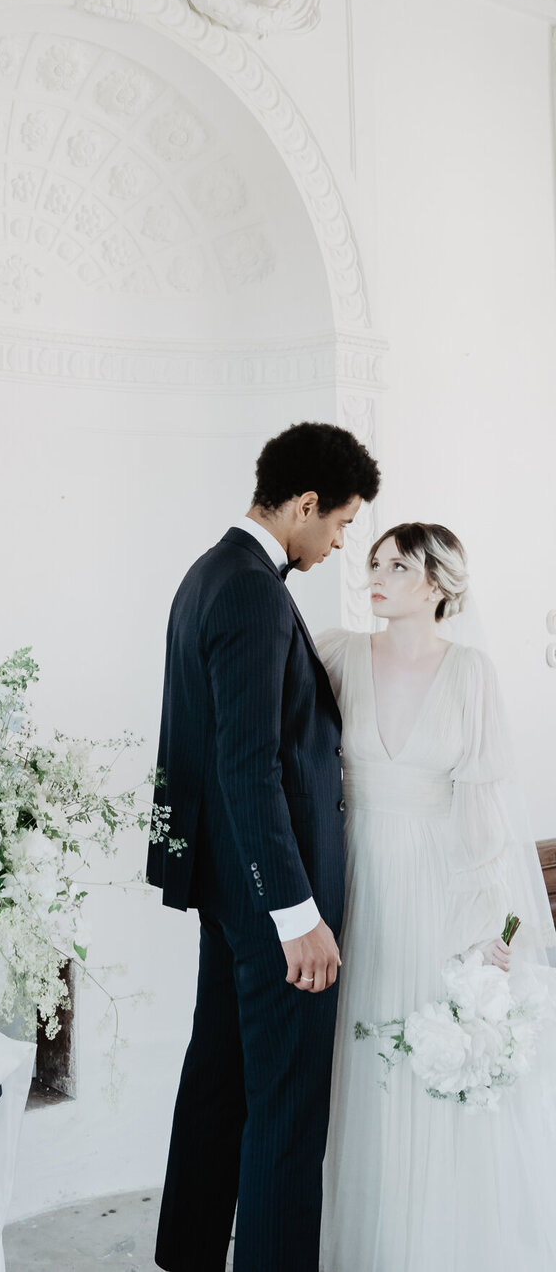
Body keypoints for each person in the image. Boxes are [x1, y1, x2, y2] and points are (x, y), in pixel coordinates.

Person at [147, 420, 381, 1272]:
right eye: (343, 524)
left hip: (226, 886)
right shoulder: (249, 588)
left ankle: (188, 1254)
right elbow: (246, 765)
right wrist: (297, 913)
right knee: (286, 1112)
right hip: (270, 896)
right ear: (306, 504)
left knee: (220, 1077)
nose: (341, 541)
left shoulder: (210, 573)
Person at [317, 523, 556, 1272]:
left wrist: (491, 922)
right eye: (374, 560)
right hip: (354, 876)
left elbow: (484, 807)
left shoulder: (471, 671)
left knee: (426, 1045)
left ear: (439, 584)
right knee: (356, 1051)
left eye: (397, 564)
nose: (376, 574)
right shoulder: (338, 653)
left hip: (437, 885)